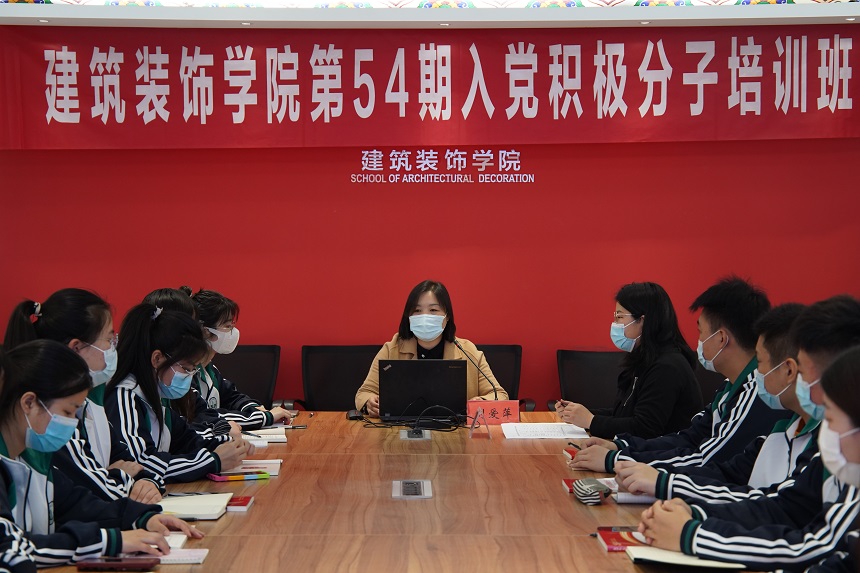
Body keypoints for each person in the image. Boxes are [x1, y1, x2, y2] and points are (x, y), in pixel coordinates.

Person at [636, 295, 860, 570]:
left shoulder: (835, 447)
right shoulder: (812, 440)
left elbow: (821, 547)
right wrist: (696, 513)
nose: (757, 374)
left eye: (803, 372)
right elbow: (780, 505)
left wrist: (692, 534)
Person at [0, 340, 202, 567]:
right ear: (29, 403)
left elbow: (78, 504)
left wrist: (141, 518)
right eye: (67, 411)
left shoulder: (33, 455)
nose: (73, 423)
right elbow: (8, 548)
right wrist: (108, 541)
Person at [570, 276, 790, 473]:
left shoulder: (756, 392)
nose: (699, 342)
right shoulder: (727, 388)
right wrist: (620, 446)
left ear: (721, 339)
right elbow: (689, 438)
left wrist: (616, 459)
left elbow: (706, 459)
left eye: (701, 332)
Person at [616, 303, 819, 504]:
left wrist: (662, 482)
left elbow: (774, 505)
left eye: (760, 361)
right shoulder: (784, 426)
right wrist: (655, 476)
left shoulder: (821, 443)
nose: (758, 371)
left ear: (790, 370)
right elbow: (726, 470)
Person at [3, 289, 162, 503]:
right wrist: (119, 475)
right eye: (109, 339)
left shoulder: (87, 399)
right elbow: (94, 491)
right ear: (76, 347)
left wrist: (144, 479)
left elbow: (124, 458)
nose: (114, 347)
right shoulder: (47, 418)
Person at [105, 303, 250, 483]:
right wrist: (213, 460)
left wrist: (229, 445)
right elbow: (141, 465)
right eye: (186, 369)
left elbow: (188, 441)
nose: (190, 376)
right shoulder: (124, 396)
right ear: (157, 359)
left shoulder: (157, 397)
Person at [555, 282, 703, 439]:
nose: (615, 324)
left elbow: (645, 428)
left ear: (643, 320)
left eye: (620, 317)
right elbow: (625, 415)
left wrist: (591, 421)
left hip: (662, 452)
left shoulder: (667, 367)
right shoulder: (645, 358)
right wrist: (579, 414)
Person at [355, 280, 508, 417]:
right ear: (409, 316)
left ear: (447, 316)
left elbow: (500, 395)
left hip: (456, 432)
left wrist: (481, 402)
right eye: (417, 310)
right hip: (400, 431)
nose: (425, 316)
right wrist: (370, 402)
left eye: (433, 310)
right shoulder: (391, 349)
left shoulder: (468, 351)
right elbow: (364, 393)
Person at [183, 287, 291, 428]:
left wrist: (254, 408)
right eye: (227, 326)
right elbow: (207, 416)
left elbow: (231, 397)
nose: (233, 332)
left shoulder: (208, 368)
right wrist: (265, 417)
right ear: (205, 330)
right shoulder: (184, 373)